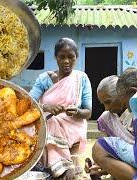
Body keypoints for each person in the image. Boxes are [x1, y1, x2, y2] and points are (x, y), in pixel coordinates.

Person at [29, 38, 92, 180]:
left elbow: (88, 112)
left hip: (73, 128)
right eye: (61, 57)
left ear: (76, 57)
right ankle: (64, 167)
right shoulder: (44, 79)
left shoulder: (81, 78)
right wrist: (46, 107)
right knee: (51, 122)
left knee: (53, 123)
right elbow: (29, 103)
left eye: (71, 57)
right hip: (47, 127)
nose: (66, 61)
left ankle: (61, 167)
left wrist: (77, 112)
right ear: (55, 57)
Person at [85, 75, 135, 180]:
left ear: (120, 95)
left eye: (108, 102)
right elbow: (110, 152)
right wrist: (99, 166)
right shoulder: (106, 119)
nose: (107, 108)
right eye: (103, 104)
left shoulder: (136, 114)